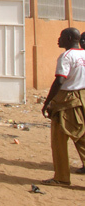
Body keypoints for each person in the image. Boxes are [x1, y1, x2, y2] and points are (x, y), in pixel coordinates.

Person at [39, 27, 85, 187]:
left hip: (68, 100)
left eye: (62, 36)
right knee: (81, 137)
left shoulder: (66, 56)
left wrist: (48, 102)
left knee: (59, 139)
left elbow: (60, 80)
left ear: (70, 37)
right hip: (83, 97)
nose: (59, 39)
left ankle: (62, 177)